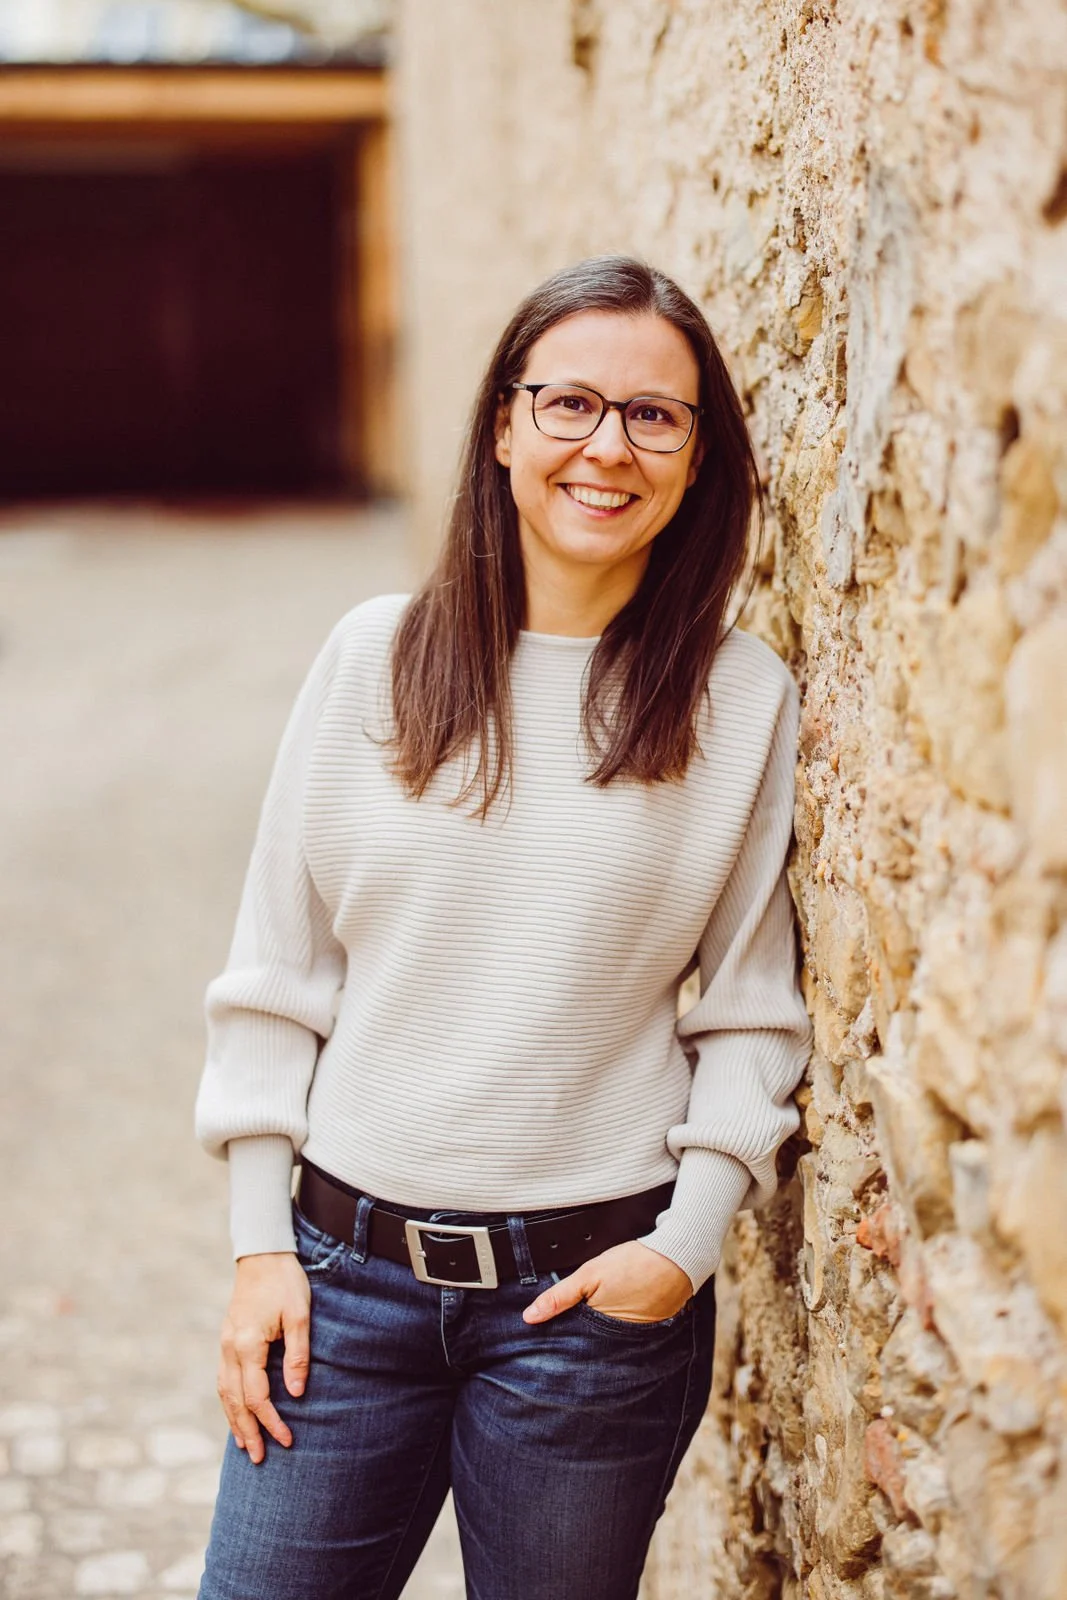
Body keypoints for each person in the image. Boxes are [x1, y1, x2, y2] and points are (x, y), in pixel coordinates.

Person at [194, 254, 813, 1600]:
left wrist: (685, 1246)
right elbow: (275, 975)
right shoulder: (374, 658)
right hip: (338, 1288)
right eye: (569, 403)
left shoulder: (739, 701)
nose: (607, 446)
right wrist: (257, 1249)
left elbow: (753, 1008)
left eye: (655, 416)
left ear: (700, 459)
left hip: (589, 1311)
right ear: (502, 426)